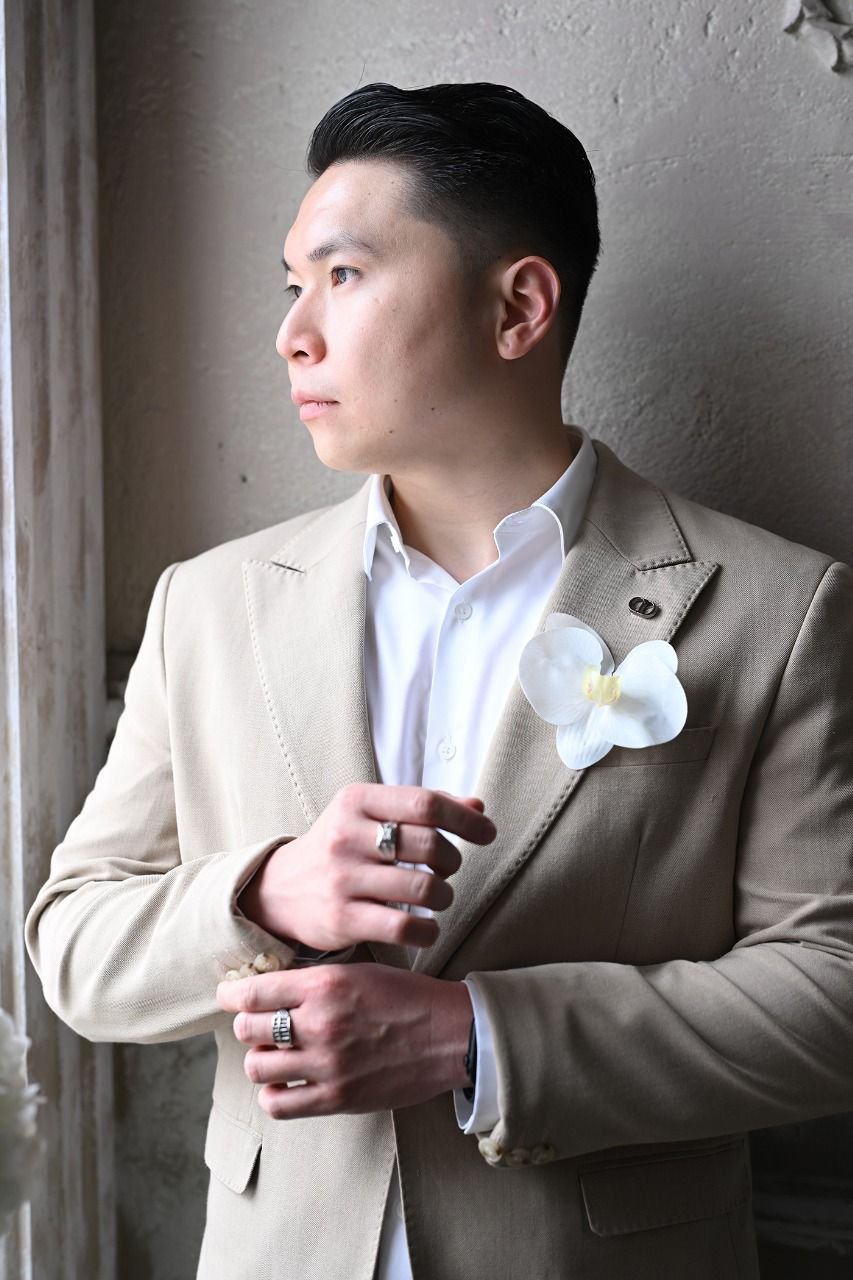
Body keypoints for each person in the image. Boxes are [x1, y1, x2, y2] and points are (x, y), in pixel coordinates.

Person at [25, 81, 853, 1280]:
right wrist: (263, 890)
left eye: (343, 275)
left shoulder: (776, 606)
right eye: (290, 285)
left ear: (518, 306)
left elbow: (832, 993)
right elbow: (71, 942)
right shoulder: (206, 605)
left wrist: (477, 1036)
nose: (292, 332)